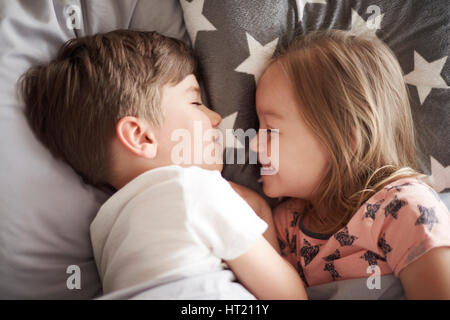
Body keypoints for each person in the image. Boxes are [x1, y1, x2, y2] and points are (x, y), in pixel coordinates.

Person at [19, 30, 307, 299]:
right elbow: (287, 293)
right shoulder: (195, 189)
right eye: (195, 103)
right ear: (141, 136)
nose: (216, 117)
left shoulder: (105, 228)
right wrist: (260, 210)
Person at [241, 29, 450, 299]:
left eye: (270, 129)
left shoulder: (403, 209)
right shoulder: (287, 225)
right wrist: (258, 211)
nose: (253, 144)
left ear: (346, 140)